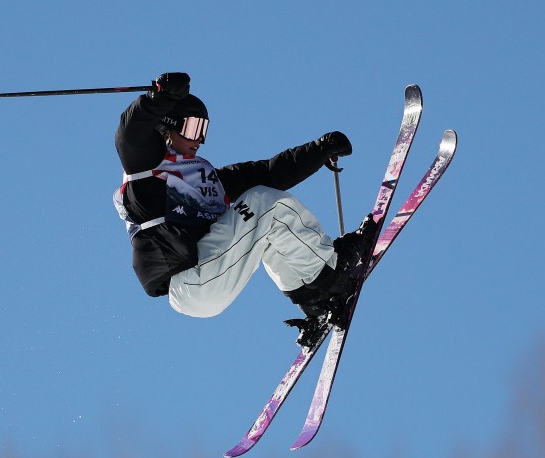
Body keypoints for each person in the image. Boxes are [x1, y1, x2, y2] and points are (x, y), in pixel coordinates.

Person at [113, 72, 376, 320]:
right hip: (189, 280)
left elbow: (269, 173)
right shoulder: (145, 169)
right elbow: (130, 133)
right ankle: (331, 272)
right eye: (192, 128)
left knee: (265, 218)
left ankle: (312, 296)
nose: (199, 139)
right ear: (166, 127)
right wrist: (160, 98)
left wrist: (318, 151)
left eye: (203, 130)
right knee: (263, 203)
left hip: (207, 272)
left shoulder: (207, 181)